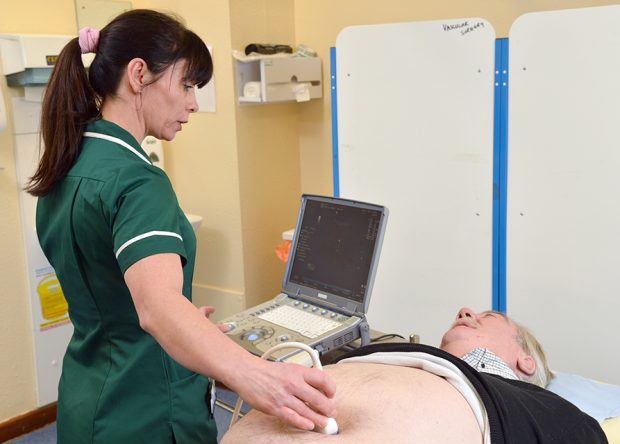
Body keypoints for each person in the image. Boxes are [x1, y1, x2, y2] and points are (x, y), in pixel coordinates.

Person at [27, 9, 335, 444]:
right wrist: (256, 375)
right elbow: (155, 307)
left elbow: (111, 293)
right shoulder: (138, 181)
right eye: (186, 84)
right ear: (138, 74)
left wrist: (185, 320)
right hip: (147, 411)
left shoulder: (67, 167)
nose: (192, 102)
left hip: (88, 401)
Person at [221, 307, 607, 444]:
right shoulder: (394, 356)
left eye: (488, 317)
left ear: (524, 360)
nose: (465, 310)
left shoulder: (550, 412)